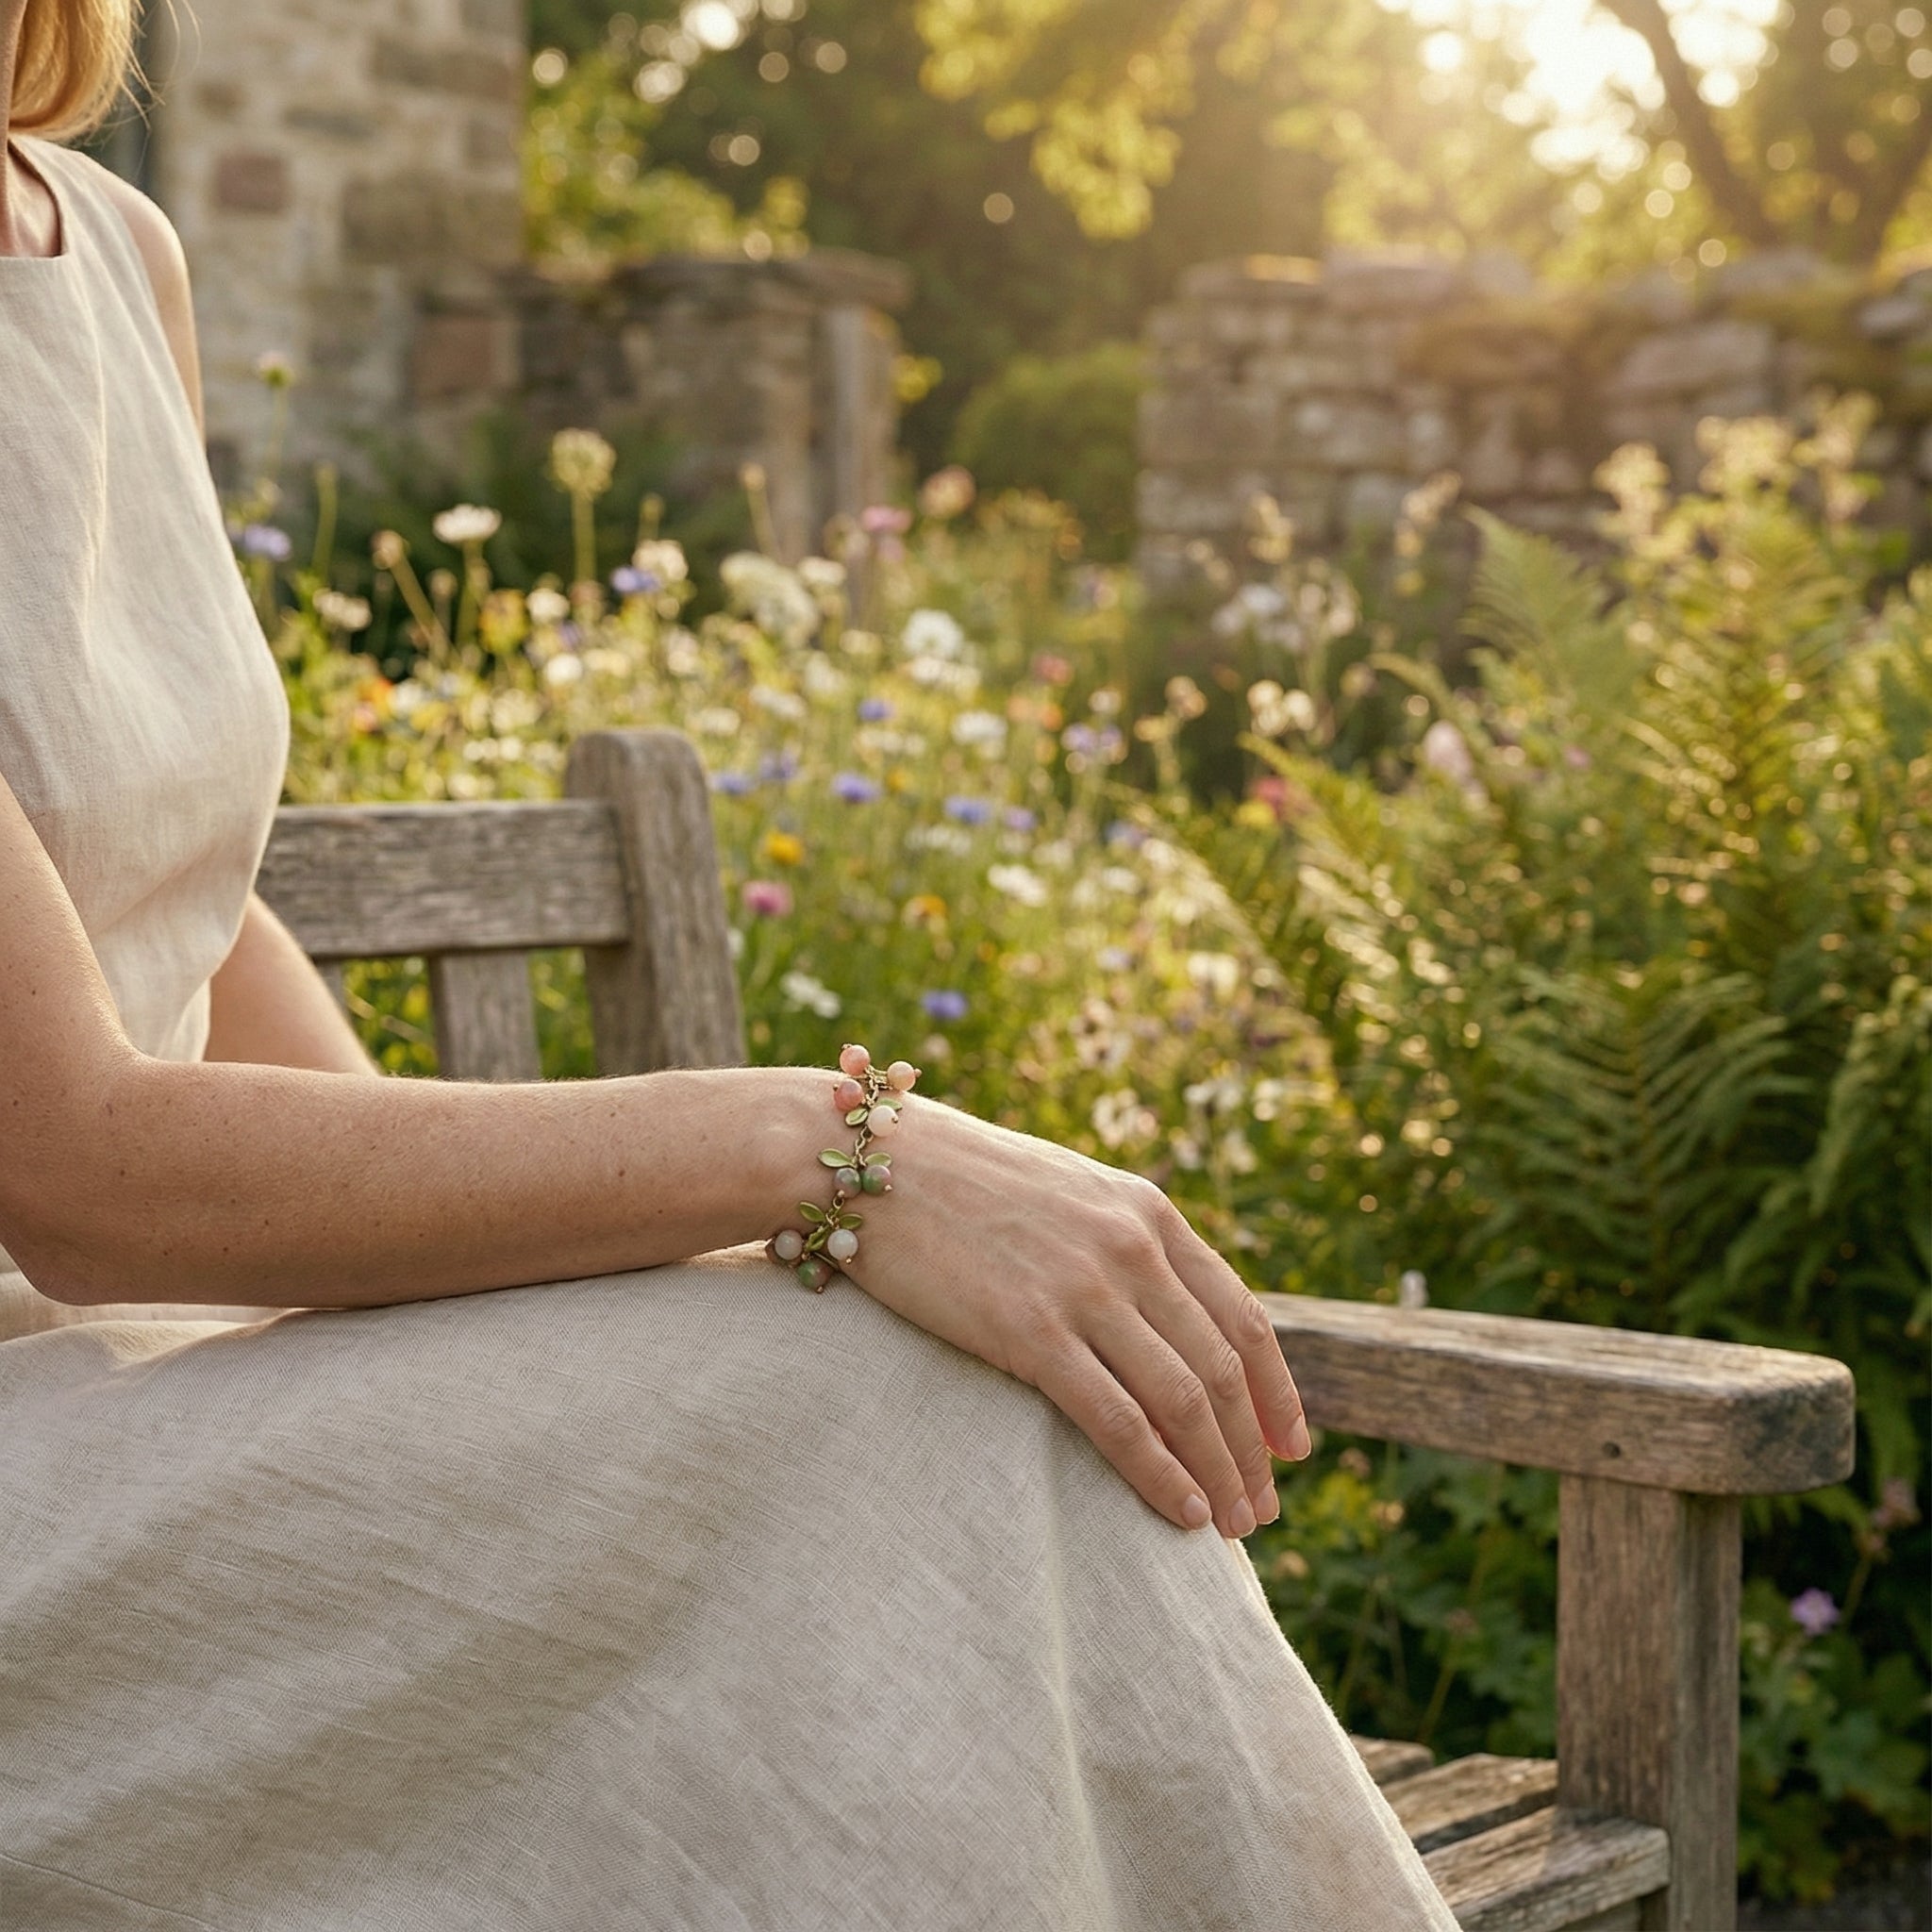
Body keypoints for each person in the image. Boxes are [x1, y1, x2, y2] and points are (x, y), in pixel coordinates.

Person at [0, 4, 1457, 1924]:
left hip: (177, 1388)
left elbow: (193, 891)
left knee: (915, 1364)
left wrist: (458, 1287)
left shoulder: (116, 249)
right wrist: (840, 1147)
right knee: (864, 1399)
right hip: (52, 1480)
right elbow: (80, 1170)